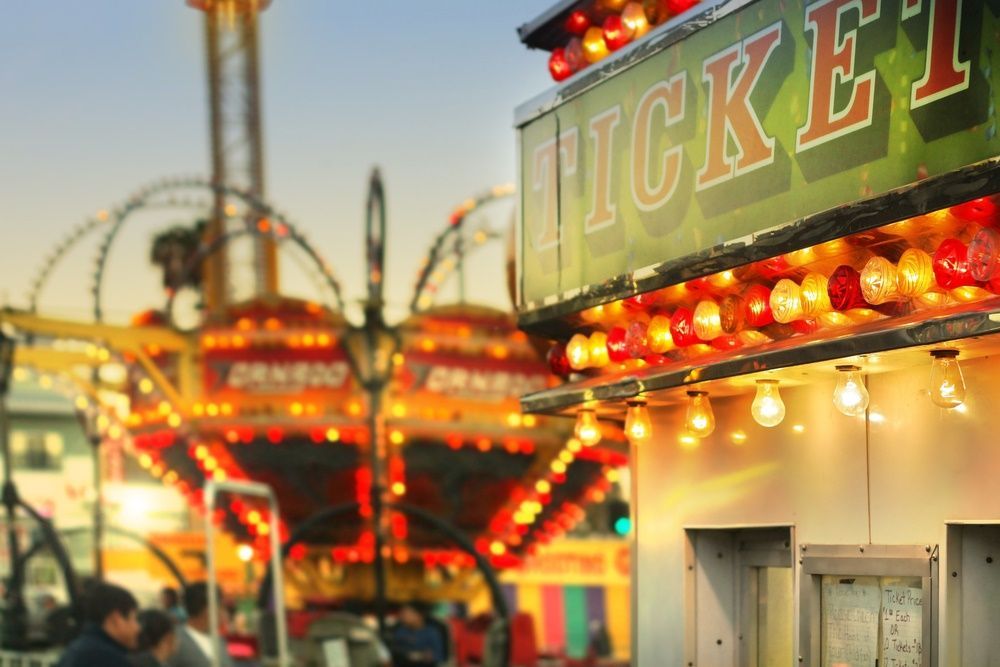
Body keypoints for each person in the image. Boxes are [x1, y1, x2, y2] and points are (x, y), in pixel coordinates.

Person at [55, 581, 140, 667]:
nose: (137, 628)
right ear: (116, 619)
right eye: (134, 619)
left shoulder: (77, 649)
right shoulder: (108, 659)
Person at [168, 582, 234, 667]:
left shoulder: (219, 640)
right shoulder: (175, 641)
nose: (224, 613)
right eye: (221, 606)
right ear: (207, 609)